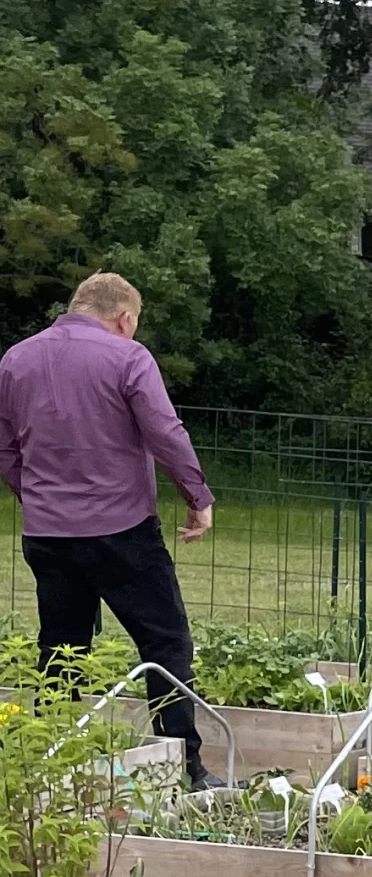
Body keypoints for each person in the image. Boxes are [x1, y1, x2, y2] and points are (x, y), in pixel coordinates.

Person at [0, 272, 218, 784]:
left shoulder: (16, 359)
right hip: (122, 530)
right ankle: (184, 765)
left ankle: (51, 762)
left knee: (61, 649)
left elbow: (6, 448)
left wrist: (35, 496)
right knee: (165, 643)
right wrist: (197, 496)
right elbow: (164, 431)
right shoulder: (128, 357)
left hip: (48, 533)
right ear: (124, 318)